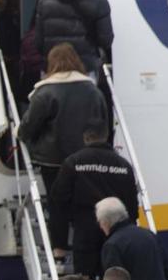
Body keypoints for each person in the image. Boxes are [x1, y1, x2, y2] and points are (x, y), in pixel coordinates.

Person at [49, 129, 139, 277]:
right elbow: (132, 203)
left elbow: (58, 196)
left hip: (85, 229)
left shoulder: (74, 161)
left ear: (85, 139)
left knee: (84, 279)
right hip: (116, 231)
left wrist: (66, 226)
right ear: (107, 138)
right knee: (113, 277)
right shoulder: (124, 165)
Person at [19, 44, 109, 179]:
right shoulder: (94, 91)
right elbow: (104, 124)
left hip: (52, 160)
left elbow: (27, 127)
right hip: (87, 157)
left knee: (56, 198)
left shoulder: (44, 92)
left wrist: (19, 132)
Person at [33, 0, 114, 75]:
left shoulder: (44, 0)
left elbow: (38, 42)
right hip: (85, 67)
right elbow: (106, 40)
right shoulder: (98, 0)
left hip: (52, 67)